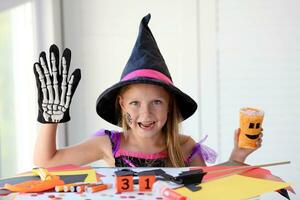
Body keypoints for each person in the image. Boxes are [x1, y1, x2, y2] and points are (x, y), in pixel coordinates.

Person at [33, 14, 262, 168]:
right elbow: (46, 163)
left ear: (170, 104)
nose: (146, 113)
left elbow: (212, 190)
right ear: (122, 104)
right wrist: (50, 119)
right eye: (135, 103)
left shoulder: (186, 148)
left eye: (157, 102)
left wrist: (238, 156)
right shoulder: (108, 145)